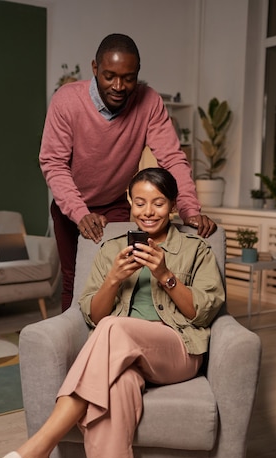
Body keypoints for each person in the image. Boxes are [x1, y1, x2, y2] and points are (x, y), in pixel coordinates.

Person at [0, 168, 225, 458]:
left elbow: (205, 311)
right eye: (140, 202)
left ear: (173, 206)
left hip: (177, 353)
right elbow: (92, 313)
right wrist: (113, 279)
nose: (148, 212)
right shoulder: (110, 247)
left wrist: (165, 274)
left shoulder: (195, 248)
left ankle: (36, 451)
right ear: (129, 199)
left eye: (158, 203)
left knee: (113, 331)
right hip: (120, 359)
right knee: (114, 385)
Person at [39, 33, 217, 311]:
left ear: (137, 74)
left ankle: (114, 342)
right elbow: (53, 163)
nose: (119, 86)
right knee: (74, 281)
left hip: (116, 205)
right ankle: (74, 348)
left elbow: (172, 158)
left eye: (128, 78)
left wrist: (190, 210)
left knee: (122, 278)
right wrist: (79, 213)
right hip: (71, 207)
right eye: (109, 76)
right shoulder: (67, 100)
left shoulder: (149, 102)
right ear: (95, 68)